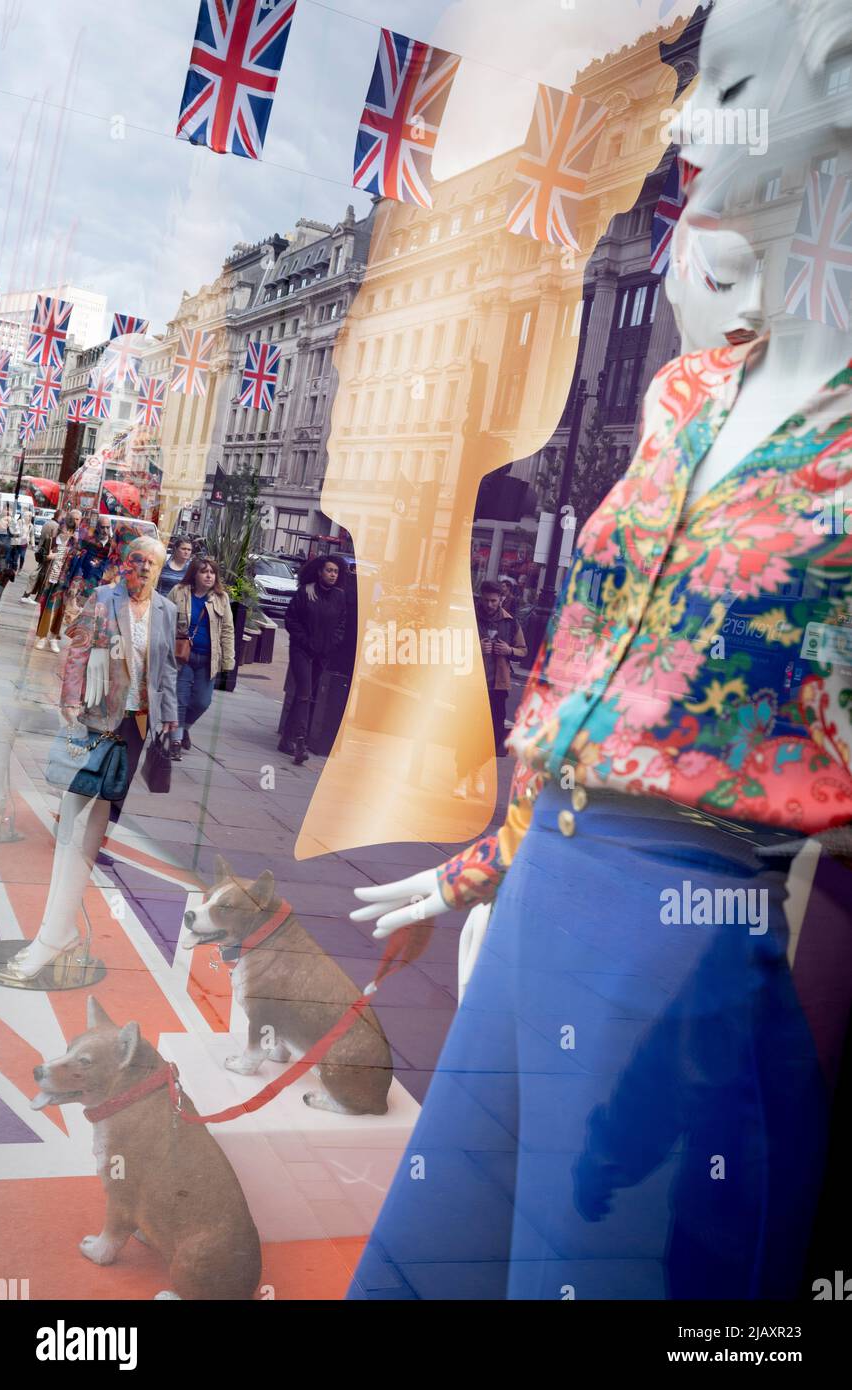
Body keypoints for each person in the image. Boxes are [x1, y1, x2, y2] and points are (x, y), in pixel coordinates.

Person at [346, 0, 852, 1301]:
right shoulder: (689, 391)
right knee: (415, 1275)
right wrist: (483, 864)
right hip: (541, 899)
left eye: (721, 79)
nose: (682, 120)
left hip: (677, 956)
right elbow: (587, 683)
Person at [0, 532, 179, 985]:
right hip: (96, 719)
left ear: (160, 570)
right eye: (136, 562)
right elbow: (77, 652)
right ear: (124, 563)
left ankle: (57, 932)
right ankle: (52, 933)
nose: (142, 572)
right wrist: (70, 701)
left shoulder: (165, 610)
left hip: (135, 727)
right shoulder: (103, 597)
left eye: (151, 566)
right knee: (73, 823)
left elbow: (166, 671)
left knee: (96, 823)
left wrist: (170, 718)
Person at [454, 581, 527, 799]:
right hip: (470, 684)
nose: (489, 604)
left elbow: (523, 651)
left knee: (495, 736)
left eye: (494, 601)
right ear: (480, 598)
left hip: (498, 686)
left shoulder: (510, 623)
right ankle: (462, 778)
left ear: (501, 600)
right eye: (486, 600)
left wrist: (509, 649)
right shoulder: (469, 618)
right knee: (466, 732)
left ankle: (475, 769)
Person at [280, 555, 346, 765]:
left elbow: (341, 625)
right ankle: (301, 741)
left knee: (304, 695)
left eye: (335, 571)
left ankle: (286, 740)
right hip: (302, 651)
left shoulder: (339, 596)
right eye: (329, 570)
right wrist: (304, 640)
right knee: (305, 693)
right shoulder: (306, 592)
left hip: (322, 654)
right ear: (320, 572)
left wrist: (332, 644)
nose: (332, 575)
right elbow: (291, 619)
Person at [168, 555, 235, 760]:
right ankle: (175, 741)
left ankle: (185, 727)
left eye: (212, 572)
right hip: (183, 657)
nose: (208, 575)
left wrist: (228, 661)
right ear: (194, 573)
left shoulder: (221, 599)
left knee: (201, 702)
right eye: (204, 571)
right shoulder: (179, 592)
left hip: (208, 660)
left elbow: (227, 630)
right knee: (180, 699)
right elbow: (165, 621)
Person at [33, 517, 73, 652]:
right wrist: (48, 557)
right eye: (64, 528)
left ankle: (54, 637)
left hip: (64, 582)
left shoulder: (74, 545)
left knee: (59, 611)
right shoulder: (52, 541)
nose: (65, 532)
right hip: (49, 579)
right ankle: (42, 637)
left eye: (68, 530)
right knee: (45, 608)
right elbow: (40, 555)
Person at [22, 508, 64, 604]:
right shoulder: (56, 526)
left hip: (42, 551)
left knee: (40, 573)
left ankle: (31, 595)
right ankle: (29, 595)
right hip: (47, 552)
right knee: (41, 574)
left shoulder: (48, 523)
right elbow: (51, 540)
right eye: (63, 517)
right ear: (60, 516)